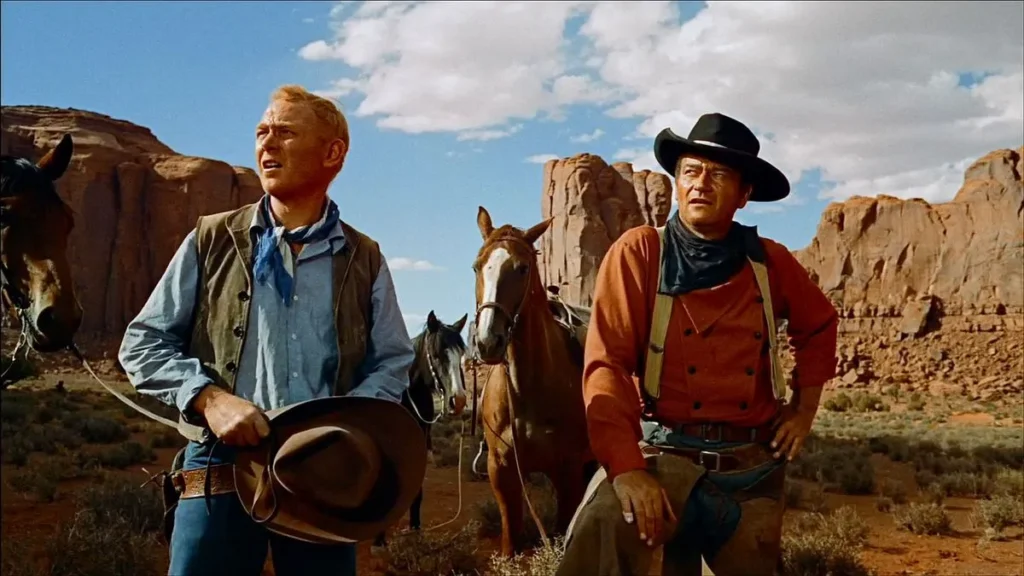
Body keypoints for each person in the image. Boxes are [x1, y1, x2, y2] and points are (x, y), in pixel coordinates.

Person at [118, 84, 415, 576]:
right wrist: (211, 399)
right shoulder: (212, 238)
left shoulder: (363, 257)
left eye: (285, 132)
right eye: (262, 132)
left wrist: (348, 427)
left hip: (323, 478)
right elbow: (142, 342)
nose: (267, 144)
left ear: (333, 153)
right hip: (217, 469)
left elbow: (393, 360)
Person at [556, 113, 839, 576]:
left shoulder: (770, 262)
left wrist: (804, 411)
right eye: (690, 171)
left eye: (720, 174)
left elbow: (820, 325)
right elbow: (607, 363)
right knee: (603, 528)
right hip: (663, 458)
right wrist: (626, 467)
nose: (701, 184)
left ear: (744, 195)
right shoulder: (640, 252)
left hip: (750, 472)